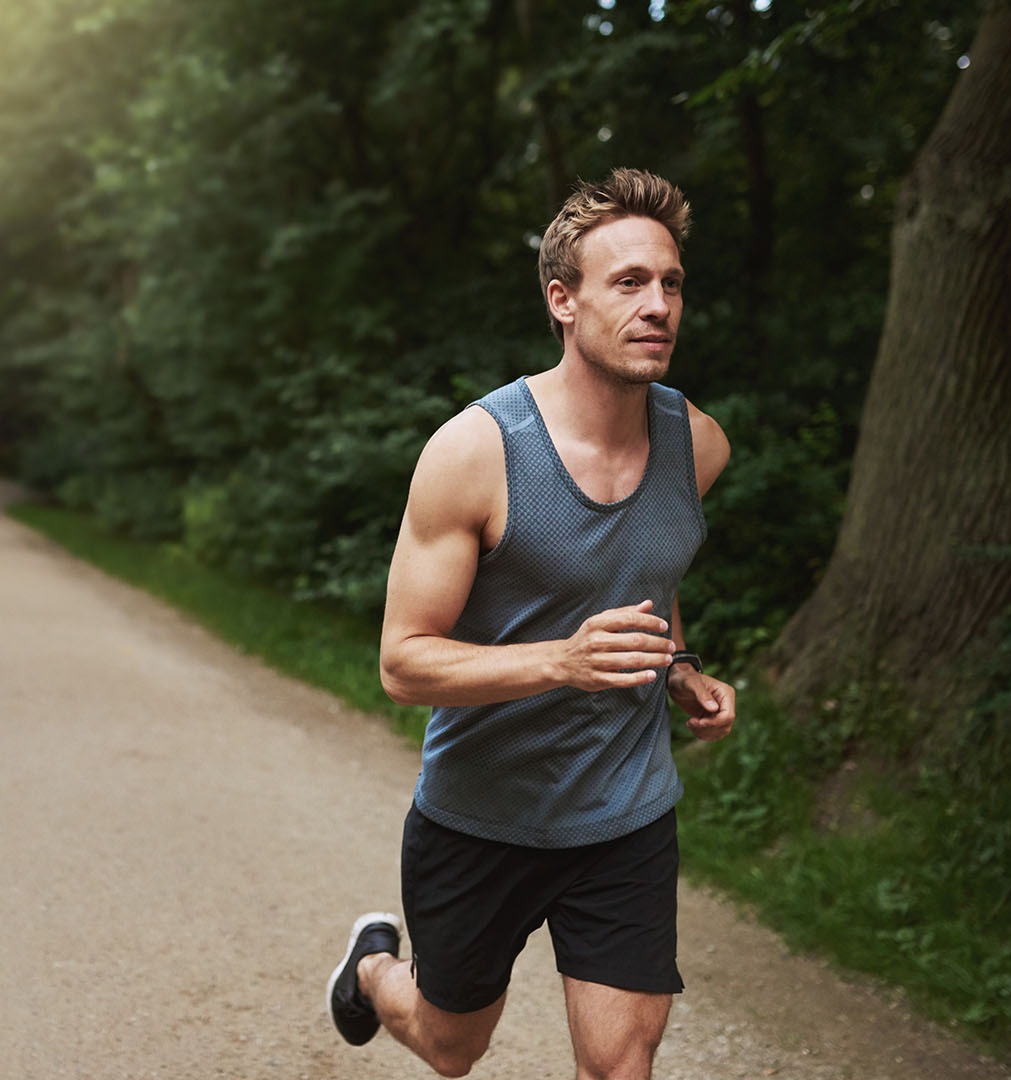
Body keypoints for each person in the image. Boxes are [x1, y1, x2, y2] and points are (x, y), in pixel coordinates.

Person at [325, 168, 737, 1079]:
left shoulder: (696, 444)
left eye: (670, 283)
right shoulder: (477, 452)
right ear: (563, 299)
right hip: (483, 815)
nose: (658, 304)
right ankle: (371, 970)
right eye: (628, 282)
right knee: (450, 1046)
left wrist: (678, 662)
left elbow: (645, 568)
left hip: (626, 815)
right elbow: (403, 664)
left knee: (619, 1067)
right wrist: (563, 661)